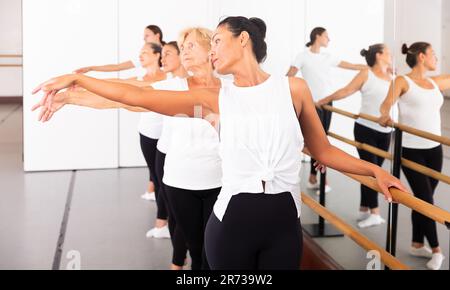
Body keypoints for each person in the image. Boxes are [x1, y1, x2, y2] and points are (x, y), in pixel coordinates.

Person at [33, 16, 406, 270]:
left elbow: (322, 151)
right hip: (231, 226)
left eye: (215, 42)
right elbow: (135, 96)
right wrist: (75, 81)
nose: (211, 52)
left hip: (284, 224)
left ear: (243, 40)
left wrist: (374, 171)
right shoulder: (216, 99)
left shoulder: (293, 88)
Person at [379, 42, 450, 270]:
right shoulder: (402, 81)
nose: (436, 59)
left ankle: (417, 244)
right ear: (421, 57)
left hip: (434, 149)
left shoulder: (433, 82)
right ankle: (438, 250)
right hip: (411, 149)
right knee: (426, 200)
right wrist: (385, 116)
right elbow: (385, 105)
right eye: (433, 55)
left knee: (422, 199)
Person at [317, 44, 397, 228]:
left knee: (372, 168)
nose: (391, 55)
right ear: (378, 55)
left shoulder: (392, 77)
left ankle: (364, 208)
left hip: (386, 132)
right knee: (372, 170)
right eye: (388, 52)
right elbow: (346, 91)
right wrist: (324, 100)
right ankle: (375, 212)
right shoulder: (366, 73)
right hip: (365, 129)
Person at [287, 27, 368, 194]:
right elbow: (289, 76)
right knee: (315, 140)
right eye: (326, 36)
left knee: (323, 140)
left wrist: (373, 67)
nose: (329, 39)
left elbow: (351, 65)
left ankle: (312, 177)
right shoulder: (302, 56)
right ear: (318, 36)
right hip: (310, 104)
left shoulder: (328, 57)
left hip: (327, 103)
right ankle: (322, 180)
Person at [74, 25, 164, 74]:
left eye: (147, 35)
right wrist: (91, 68)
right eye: (143, 36)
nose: (144, 39)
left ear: (157, 35)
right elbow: (117, 67)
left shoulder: (171, 50)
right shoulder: (147, 57)